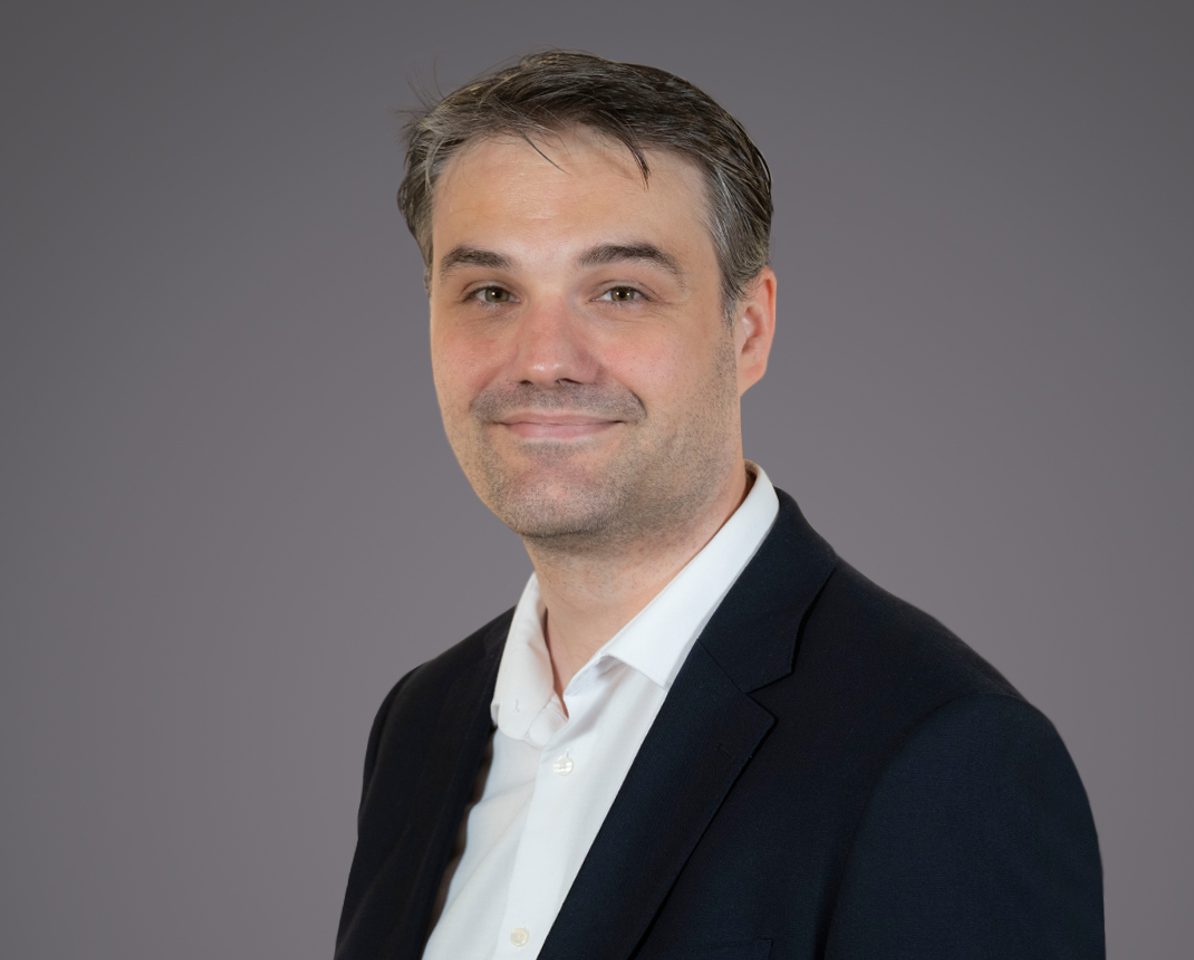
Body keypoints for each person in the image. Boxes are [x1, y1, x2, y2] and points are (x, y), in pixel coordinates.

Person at [335, 51, 1104, 960]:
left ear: (749, 331)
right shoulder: (422, 723)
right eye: (490, 292)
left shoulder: (945, 759)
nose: (542, 359)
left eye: (620, 291)